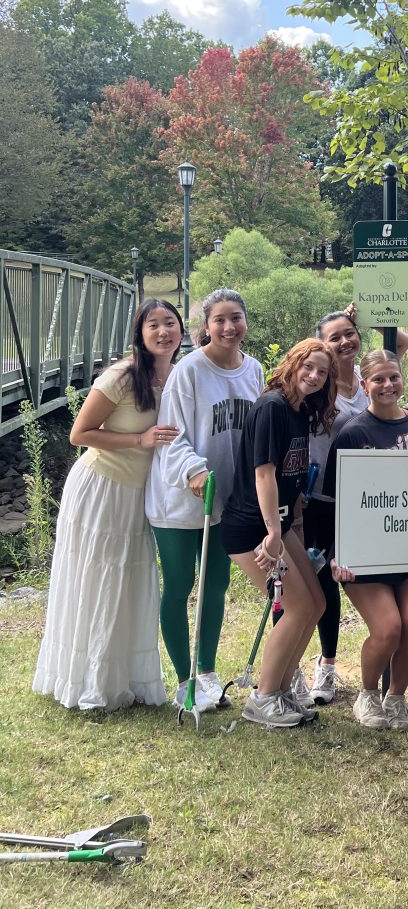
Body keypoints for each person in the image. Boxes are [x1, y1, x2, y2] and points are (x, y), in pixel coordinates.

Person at [33, 300, 183, 711]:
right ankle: (92, 682)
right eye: (153, 325)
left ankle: (126, 679)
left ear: (181, 331)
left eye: (170, 323)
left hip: (139, 494)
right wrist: (140, 440)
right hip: (102, 489)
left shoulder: (179, 375)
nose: (163, 331)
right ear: (141, 334)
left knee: (130, 585)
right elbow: (80, 434)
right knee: (100, 581)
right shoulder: (121, 375)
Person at [145, 288, 265, 712]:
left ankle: (209, 674)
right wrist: (194, 468)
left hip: (229, 498)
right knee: (180, 586)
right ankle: (184, 680)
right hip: (180, 497)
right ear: (206, 326)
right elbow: (171, 432)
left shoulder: (255, 370)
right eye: (220, 320)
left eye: (236, 318)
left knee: (216, 586)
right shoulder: (189, 371)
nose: (229, 327)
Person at [220, 339, 334, 728]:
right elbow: (264, 474)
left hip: (279, 524)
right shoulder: (272, 406)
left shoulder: (300, 411)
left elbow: (290, 475)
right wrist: (272, 534)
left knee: (315, 603)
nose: (314, 376)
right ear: (293, 362)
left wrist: (288, 521)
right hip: (252, 527)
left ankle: (282, 690)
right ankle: (263, 697)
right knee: (296, 607)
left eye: (322, 372)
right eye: (309, 367)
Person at [329, 349, 408, 730]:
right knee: (388, 627)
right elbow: (333, 501)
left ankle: (396, 697)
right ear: (364, 385)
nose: (387, 385)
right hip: (363, 555)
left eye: (393, 377)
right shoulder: (353, 432)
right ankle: (367, 694)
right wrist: (334, 553)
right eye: (378, 379)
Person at [305, 309, 370, 705]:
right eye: (334, 338)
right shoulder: (317, 380)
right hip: (320, 498)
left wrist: (351, 314)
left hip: (363, 500)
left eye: (350, 334)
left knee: (360, 577)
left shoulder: (369, 378)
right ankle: (324, 667)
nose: (344, 342)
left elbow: (402, 342)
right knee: (319, 582)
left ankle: (381, 661)